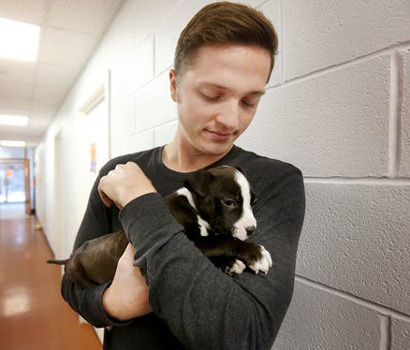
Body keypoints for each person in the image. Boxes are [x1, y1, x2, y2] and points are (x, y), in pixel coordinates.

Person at [61, 2, 305, 349]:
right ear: (174, 86)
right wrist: (112, 304)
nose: (231, 120)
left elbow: (243, 336)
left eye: (250, 101)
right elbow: (71, 284)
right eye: (212, 94)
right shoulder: (118, 173)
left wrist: (140, 201)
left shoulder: (274, 182)